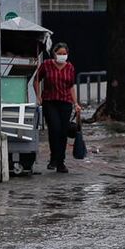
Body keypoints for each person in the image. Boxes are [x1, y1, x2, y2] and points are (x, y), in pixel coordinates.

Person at [34, 42, 82, 173]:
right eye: (59, 53)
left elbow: (71, 86)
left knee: (62, 131)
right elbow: (36, 80)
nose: (62, 56)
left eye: (64, 54)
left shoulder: (70, 67)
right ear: (54, 53)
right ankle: (53, 157)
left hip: (65, 102)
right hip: (50, 101)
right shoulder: (47, 65)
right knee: (54, 129)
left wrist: (75, 103)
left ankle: (61, 161)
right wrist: (38, 96)